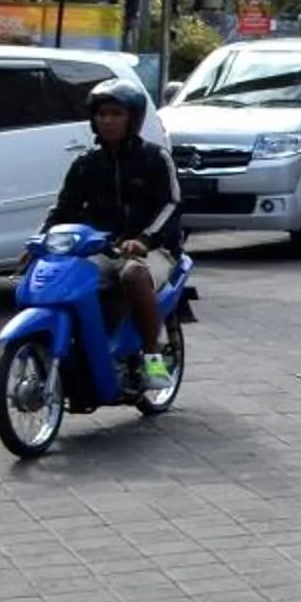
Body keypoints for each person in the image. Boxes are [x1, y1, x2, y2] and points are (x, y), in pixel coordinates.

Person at [47, 81, 185, 388]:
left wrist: (145, 239)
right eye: (101, 114)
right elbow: (63, 209)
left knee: (134, 275)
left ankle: (153, 358)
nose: (107, 120)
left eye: (115, 113)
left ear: (132, 118)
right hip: (101, 248)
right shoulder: (85, 164)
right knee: (65, 279)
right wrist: (41, 242)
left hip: (153, 249)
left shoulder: (155, 158)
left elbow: (171, 205)